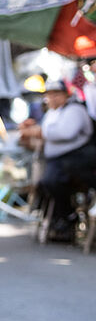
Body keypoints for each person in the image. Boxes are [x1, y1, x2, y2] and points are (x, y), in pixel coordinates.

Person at [35, 79, 96, 240]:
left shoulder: (74, 109)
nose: (52, 98)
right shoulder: (52, 113)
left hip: (76, 159)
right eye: (49, 94)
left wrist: (43, 132)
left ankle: (68, 217)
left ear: (65, 95)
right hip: (58, 160)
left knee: (53, 181)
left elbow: (65, 133)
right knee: (46, 183)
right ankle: (62, 218)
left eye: (56, 94)